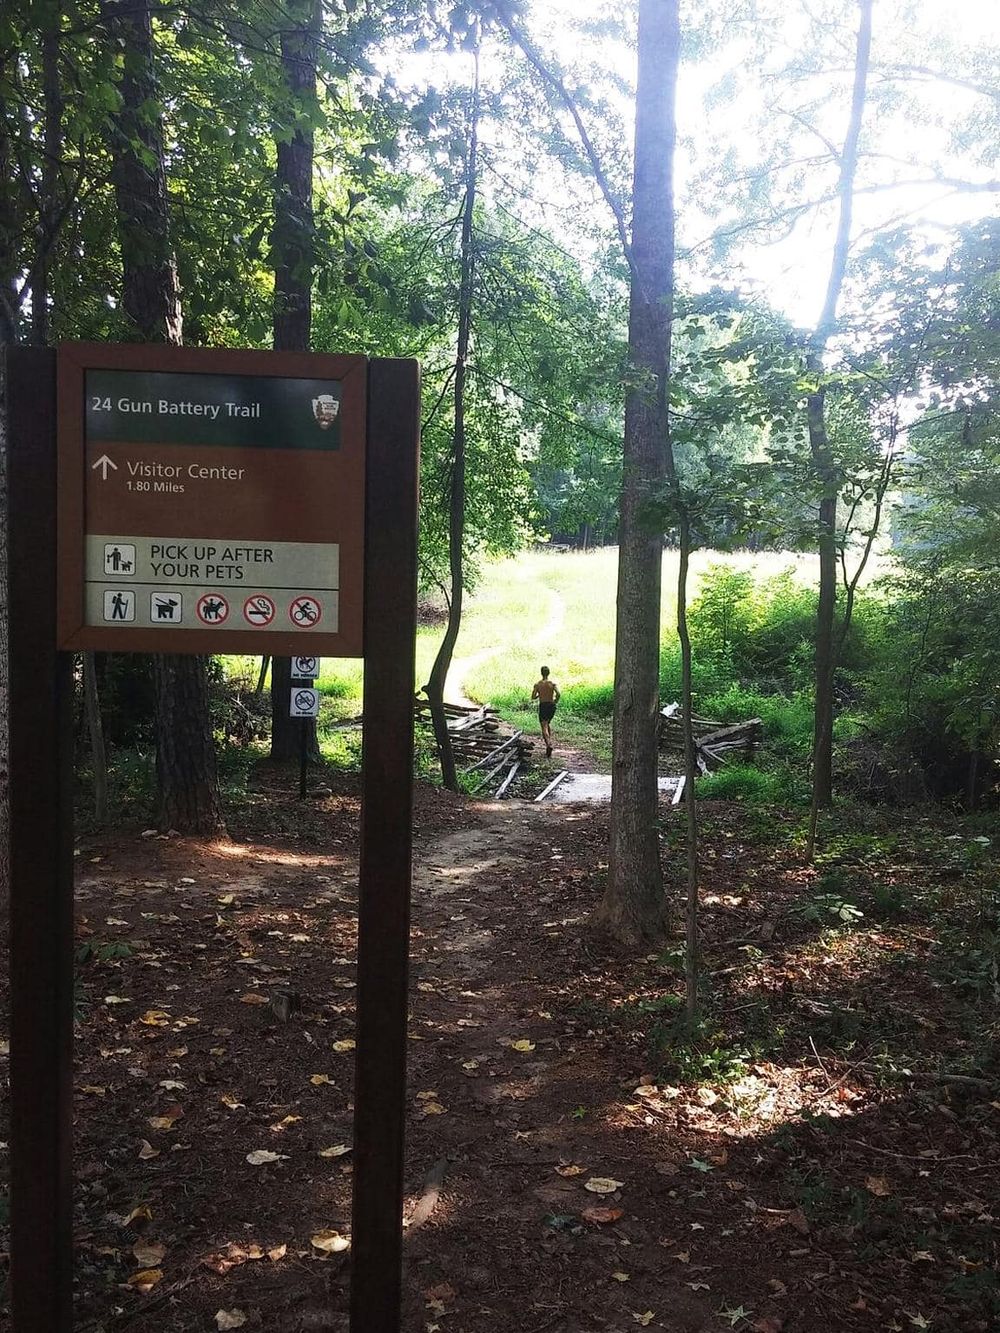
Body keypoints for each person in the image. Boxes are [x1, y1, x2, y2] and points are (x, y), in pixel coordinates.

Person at [531, 665, 560, 758]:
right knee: (547, 724)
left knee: (544, 726)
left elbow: (533, 697)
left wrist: (540, 695)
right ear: (548, 673)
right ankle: (549, 742)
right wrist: (555, 701)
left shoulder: (537, 684)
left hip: (543, 705)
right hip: (551, 706)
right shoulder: (552, 684)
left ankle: (548, 745)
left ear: (541, 673)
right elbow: (558, 694)